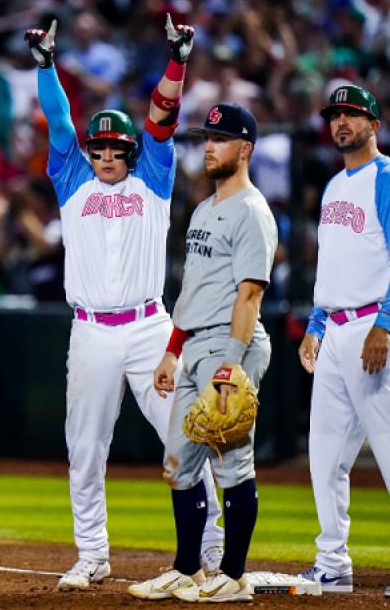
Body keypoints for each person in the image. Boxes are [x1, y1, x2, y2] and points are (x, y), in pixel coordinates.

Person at [24, 17, 224, 591]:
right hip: (90, 331)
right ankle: (92, 554)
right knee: (85, 450)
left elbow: (162, 120)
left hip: (149, 329)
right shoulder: (71, 180)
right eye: (100, 146)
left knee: (184, 439)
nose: (107, 154)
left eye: (116, 147)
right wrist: (45, 65)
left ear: (131, 151)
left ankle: (209, 551)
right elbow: (60, 123)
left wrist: (177, 61)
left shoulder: (152, 179)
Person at [128, 102, 278, 603]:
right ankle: (187, 568)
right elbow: (191, 289)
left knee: (233, 462)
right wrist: (173, 350)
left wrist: (233, 362)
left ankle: (233, 575)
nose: (208, 145)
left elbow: (250, 294)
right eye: (206, 137)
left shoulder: (253, 210)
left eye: (220, 138)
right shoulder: (203, 208)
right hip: (193, 342)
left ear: (245, 149)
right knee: (179, 463)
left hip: (231, 343)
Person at [298, 85, 390, 593]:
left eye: (352, 114)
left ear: (373, 123)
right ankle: (332, 563)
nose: (341, 123)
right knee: (325, 455)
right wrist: (315, 324)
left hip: (371, 328)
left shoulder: (386, 176)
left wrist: (386, 323)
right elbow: (329, 264)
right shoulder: (334, 186)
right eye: (335, 115)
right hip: (333, 330)